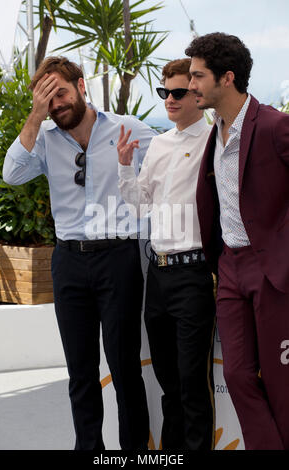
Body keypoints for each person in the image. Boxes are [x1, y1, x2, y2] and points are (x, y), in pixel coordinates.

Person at [3, 56, 157, 450]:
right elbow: (11, 174)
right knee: (80, 371)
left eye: (60, 93)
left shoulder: (129, 128)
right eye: (46, 99)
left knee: (124, 367)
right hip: (69, 262)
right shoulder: (45, 139)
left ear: (81, 86)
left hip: (118, 259)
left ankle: (135, 452)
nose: (56, 104)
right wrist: (34, 118)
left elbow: (170, 167)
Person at [186, 32, 289, 450]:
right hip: (229, 267)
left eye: (197, 76)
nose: (191, 85)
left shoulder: (275, 126)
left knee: (282, 384)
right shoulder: (215, 133)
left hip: (273, 270)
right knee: (237, 375)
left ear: (226, 78)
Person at [117, 58, 216, 450]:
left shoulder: (215, 139)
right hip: (157, 276)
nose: (169, 100)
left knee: (193, 385)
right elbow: (140, 205)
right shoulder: (157, 143)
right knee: (169, 384)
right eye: (164, 92)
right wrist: (125, 167)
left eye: (178, 92)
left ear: (196, 94)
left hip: (195, 274)